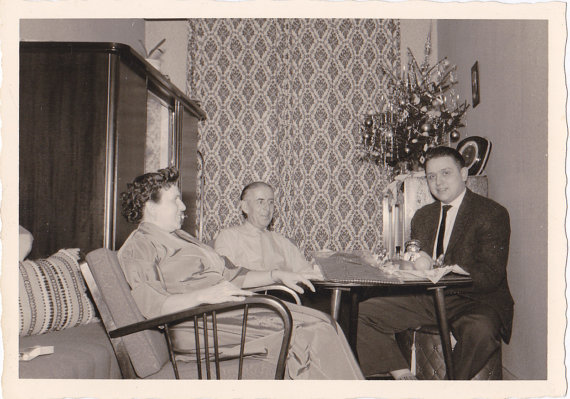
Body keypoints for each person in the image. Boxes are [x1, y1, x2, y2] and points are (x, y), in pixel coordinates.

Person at [117, 166, 363, 380]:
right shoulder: (140, 244)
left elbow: (233, 274)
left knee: (325, 323)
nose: (183, 206)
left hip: (222, 315)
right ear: (150, 205)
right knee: (316, 330)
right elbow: (148, 303)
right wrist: (205, 295)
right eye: (175, 200)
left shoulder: (180, 237)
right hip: (198, 324)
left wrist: (277, 275)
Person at [357, 146, 513, 380]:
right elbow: (414, 258)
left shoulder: (491, 213)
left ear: (463, 174)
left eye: (445, 173)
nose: (438, 182)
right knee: (361, 312)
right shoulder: (423, 216)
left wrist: (438, 267)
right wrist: (400, 264)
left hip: (473, 299)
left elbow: (490, 274)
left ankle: (449, 388)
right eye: (431, 176)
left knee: (482, 330)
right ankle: (402, 376)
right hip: (429, 298)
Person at [214, 181, 322, 279]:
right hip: (247, 299)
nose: (267, 208)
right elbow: (225, 277)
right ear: (245, 207)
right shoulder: (228, 237)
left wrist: (325, 263)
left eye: (271, 202)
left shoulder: (283, 242)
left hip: (285, 298)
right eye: (260, 202)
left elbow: (307, 272)